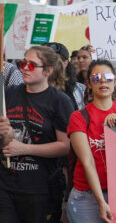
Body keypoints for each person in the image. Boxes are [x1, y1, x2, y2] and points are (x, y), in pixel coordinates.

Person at [0, 46, 74, 222]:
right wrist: (6, 137)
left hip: (41, 189)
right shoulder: (8, 94)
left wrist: (24, 148)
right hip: (6, 185)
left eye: (32, 65)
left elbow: (65, 146)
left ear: (48, 71)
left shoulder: (59, 101)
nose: (25, 68)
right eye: (22, 63)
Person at [66, 59, 116, 223]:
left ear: (115, 82)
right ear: (89, 84)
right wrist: (101, 201)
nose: (103, 81)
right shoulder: (79, 117)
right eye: (96, 78)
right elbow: (87, 162)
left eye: (107, 77)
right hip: (87, 197)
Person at [44, 42, 86, 110]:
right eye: (44, 60)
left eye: (54, 60)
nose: (48, 64)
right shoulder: (30, 88)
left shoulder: (80, 90)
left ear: (65, 63)